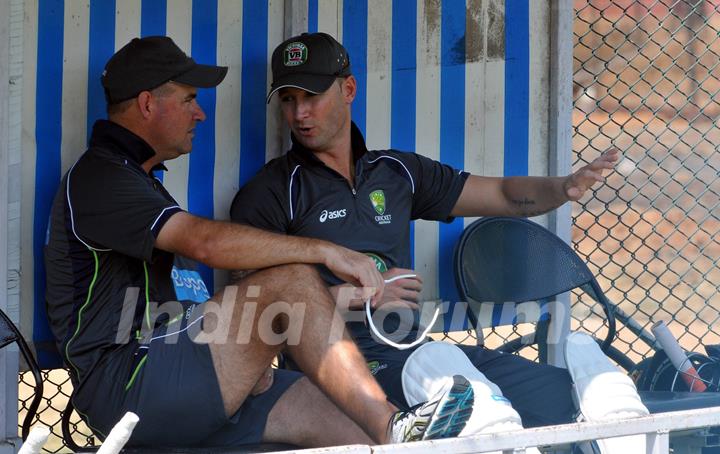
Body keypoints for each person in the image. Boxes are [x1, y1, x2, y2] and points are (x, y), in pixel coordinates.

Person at [44, 36, 476, 450]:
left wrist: (242, 354)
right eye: (189, 100)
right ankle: (393, 427)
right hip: (127, 382)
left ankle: (388, 431)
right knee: (291, 282)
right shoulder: (100, 177)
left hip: (169, 363)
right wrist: (326, 250)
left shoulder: (138, 180)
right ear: (146, 104)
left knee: (345, 420)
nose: (201, 115)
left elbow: (179, 298)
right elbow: (204, 242)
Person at [230, 32, 620, 429]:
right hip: (340, 368)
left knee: (573, 394)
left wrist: (562, 187)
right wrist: (362, 296)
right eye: (288, 99)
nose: (299, 114)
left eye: (311, 96)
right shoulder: (272, 192)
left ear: (348, 89)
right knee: (480, 414)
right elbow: (256, 315)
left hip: (415, 350)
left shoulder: (396, 172)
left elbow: (501, 193)